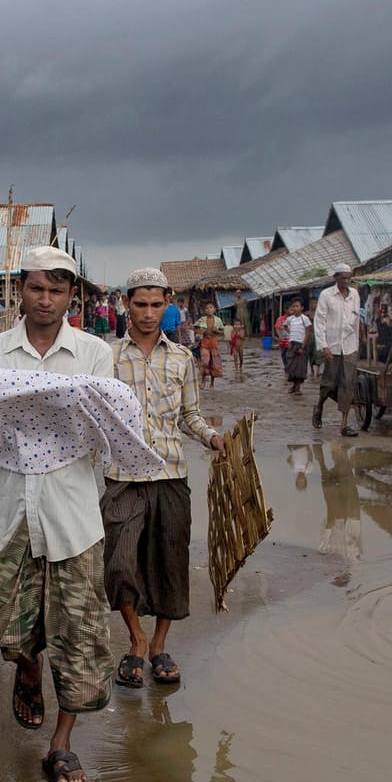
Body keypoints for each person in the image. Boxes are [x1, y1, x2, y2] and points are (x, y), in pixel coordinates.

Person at [0, 245, 115, 782]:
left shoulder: (94, 354)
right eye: (36, 288)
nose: (46, 299)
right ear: (19, 289)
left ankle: (62, 744)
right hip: (10, 512)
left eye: (57, 290)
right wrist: (53, 415)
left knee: (79, 632)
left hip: (74, 516)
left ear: (71, 295)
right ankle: (27, 670)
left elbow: (97, 431)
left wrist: (34, 417)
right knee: (8, 620)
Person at [107, 268, 225, 691]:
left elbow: (190, 416)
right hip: (121, 474)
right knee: (120, 562)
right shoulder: (108, 358)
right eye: (141, 304)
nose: (149, 313)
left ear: (168, 304)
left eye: (157, 305)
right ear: (125, 304)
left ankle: (158, 646)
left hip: (171, 472)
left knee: (169, 562)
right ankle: (135, 638)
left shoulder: (182, 359)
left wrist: (212, 437)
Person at [311, 263, 366, 434]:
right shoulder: (326, 295)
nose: (346, 281)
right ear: (335, 278)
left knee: (347, 384)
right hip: (332, 347)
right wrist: (324, 346)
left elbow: (356, 319)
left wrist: (359, 341)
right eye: (343, 278)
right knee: (329, 383)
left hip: (350, 346)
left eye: (349, 278)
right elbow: (319, 322)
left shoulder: (355, 295)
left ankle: (343, 425)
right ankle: (319, 405)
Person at [278, 298, 311, 394]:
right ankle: (293, 385)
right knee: (291, 366)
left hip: (301, 344)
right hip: (292, 344)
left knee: (300, 367)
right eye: (293, 306)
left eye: (297, 306)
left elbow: (308, 332)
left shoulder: (305, 318)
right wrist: (290, 333)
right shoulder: (290, 319)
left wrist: (303, 347)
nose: (295, 308)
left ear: (302, 307)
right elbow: (284, 326)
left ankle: (298, 387)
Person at [194, 300, 226, 390]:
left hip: (214, 342)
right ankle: (203, 381)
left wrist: (217, 331)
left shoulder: (218, 320)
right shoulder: (202, 319)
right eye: (207, 308)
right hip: (205, 342)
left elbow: (222, 331)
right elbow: (195, 327)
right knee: (205, 362)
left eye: (211, 307)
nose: (209, 309)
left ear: (214, 309)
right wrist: (200, 331)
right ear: (205, 310)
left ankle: (212, 383)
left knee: (213, 364)